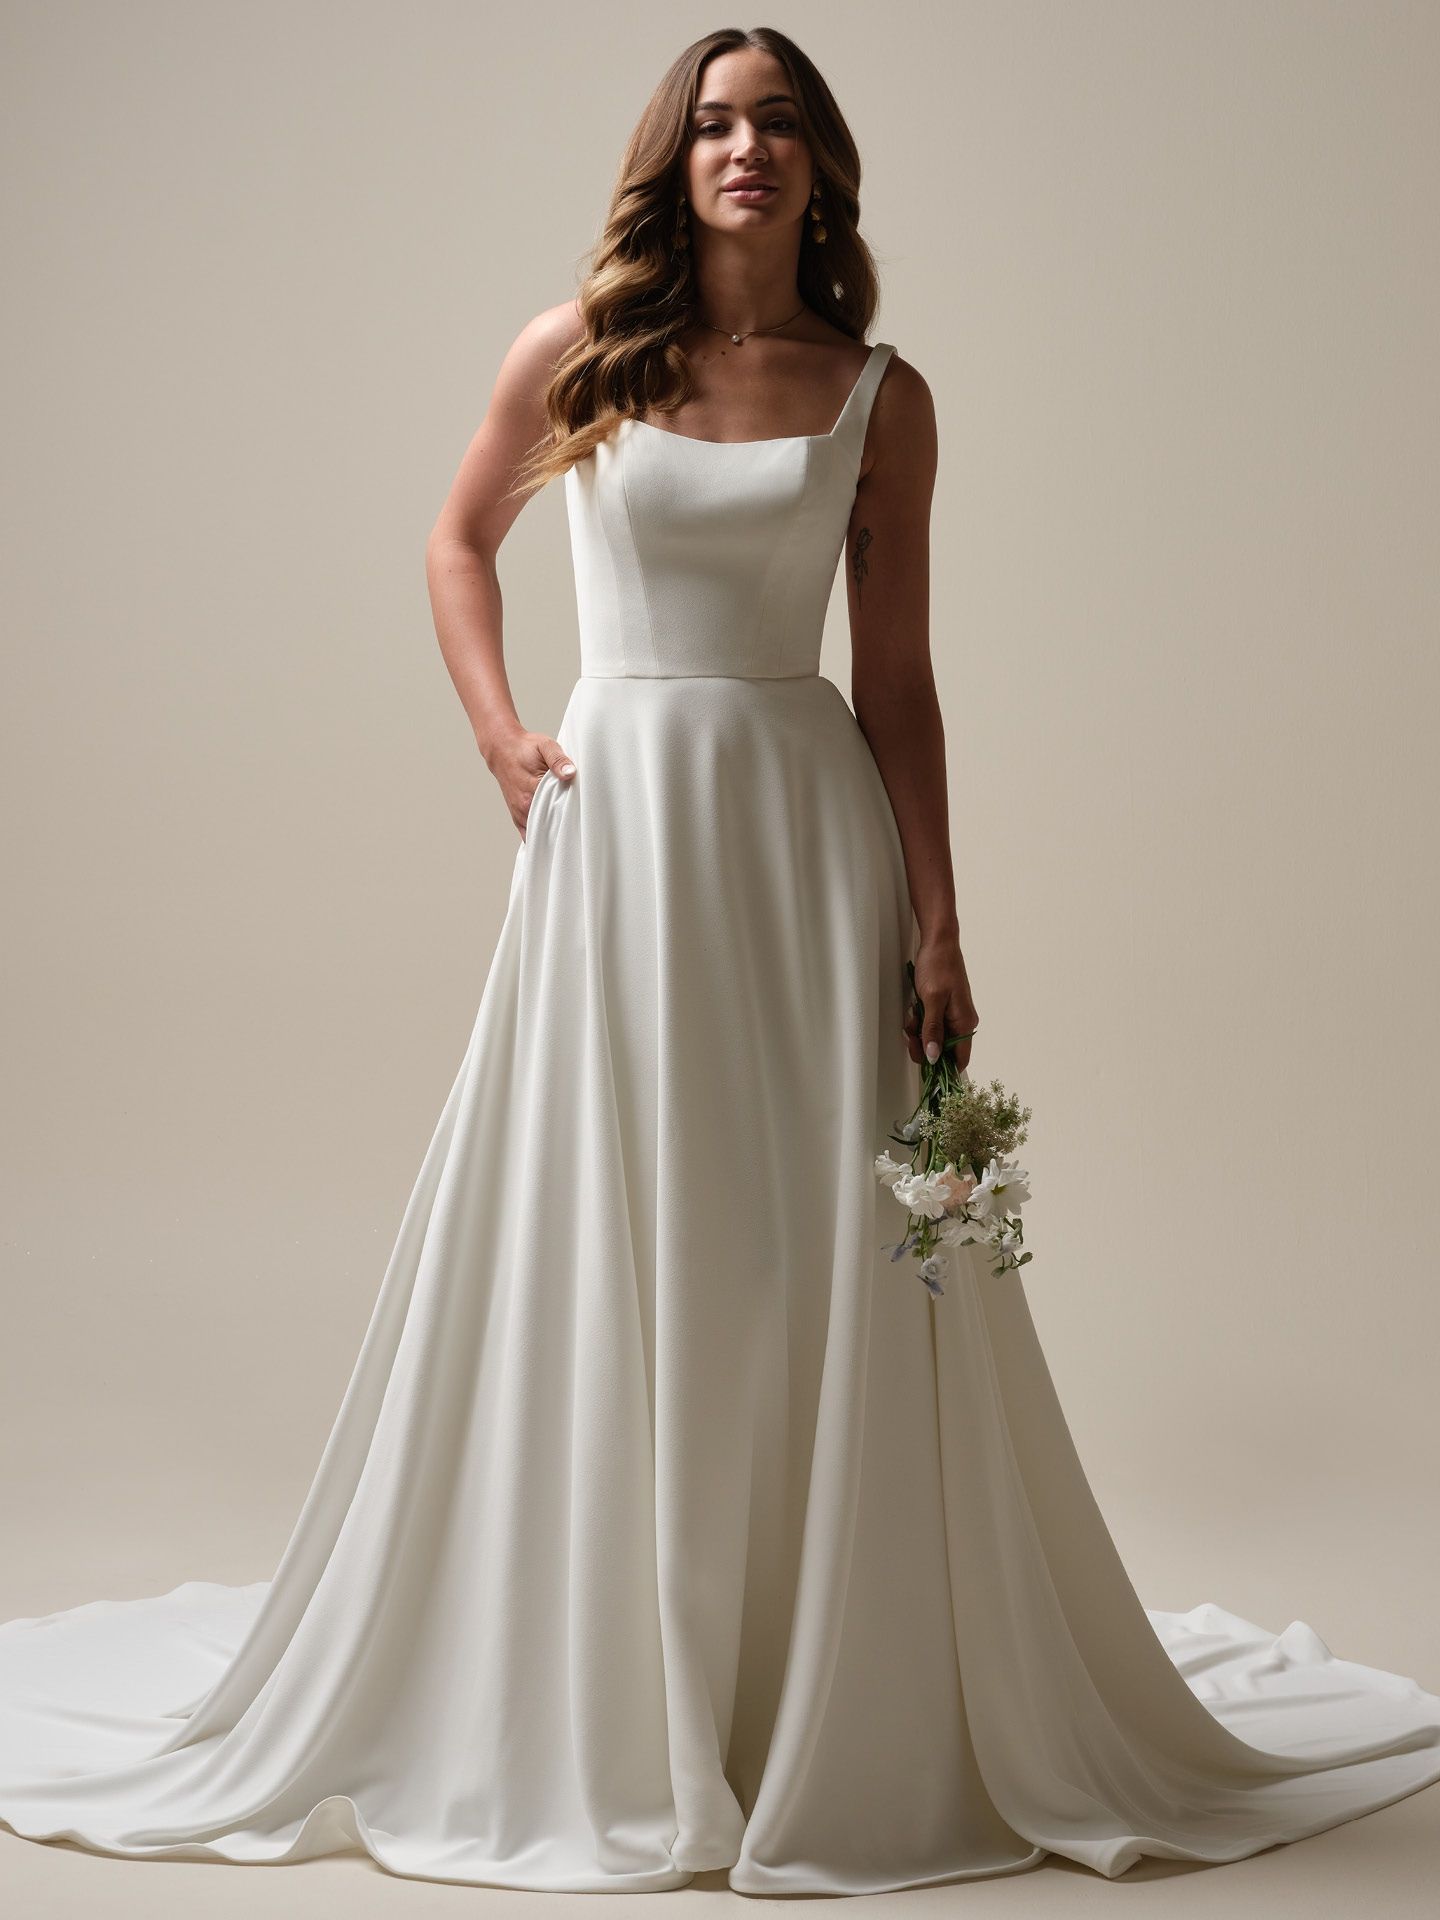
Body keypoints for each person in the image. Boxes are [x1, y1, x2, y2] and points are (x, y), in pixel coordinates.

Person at [1, 23, 1438, 1899]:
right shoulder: (579, 353)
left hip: (795, 836)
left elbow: (903, 686)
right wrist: (504, 733)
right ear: (671, 165)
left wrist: (938, 917)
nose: (741, 151)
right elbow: (452, 544)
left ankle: (807, 1691)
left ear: (822, 164)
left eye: (774, 125)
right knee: (613, 1232)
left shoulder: (879, 395)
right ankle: (607, 1692)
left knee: (791, 1253)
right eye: (711, 127)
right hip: (617, 848)